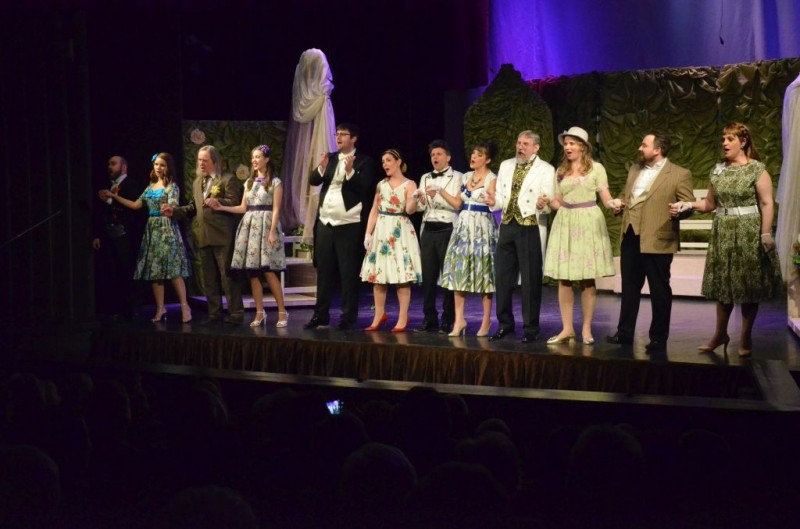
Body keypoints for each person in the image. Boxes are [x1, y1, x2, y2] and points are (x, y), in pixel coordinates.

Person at [678, 122, 782, 357]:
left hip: (748, 231)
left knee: (748, 286)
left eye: (730, 139)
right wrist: (688, 205)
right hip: (723, 231)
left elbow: (767, 203)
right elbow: (709, 204)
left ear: (743, 142)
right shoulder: (718, 170)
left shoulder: (756, 169)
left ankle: (745, 337)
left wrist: (765, 233)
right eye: (723, 139)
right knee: (724, 286)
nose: (724, 143)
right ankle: (720, 334)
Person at [606, 132, 694, 350]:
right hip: (631, 235)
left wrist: (680, 210)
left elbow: (688, 204)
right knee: (629, 287)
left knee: (659, 290)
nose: (639, 148)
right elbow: (628, 197)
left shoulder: (679, 174)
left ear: (657, 149)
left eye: (644, 145)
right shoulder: (635, 170)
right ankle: (624, 333)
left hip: (657, 238)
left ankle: (658, 338)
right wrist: (619, 204)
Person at [544, 127, 616, 345]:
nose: (568, 147)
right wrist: (547, 202)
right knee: (564, 278)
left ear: (583, 147)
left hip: (587, 222)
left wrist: (614, 203)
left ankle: (586, 328)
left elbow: (606, 198)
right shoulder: (561, 171)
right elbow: (558, 202)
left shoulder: (596, 168)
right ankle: (567, 329)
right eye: (566, 144)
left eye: (572, 143)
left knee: (587, 277)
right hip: (565, 222)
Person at [100, 153, 192, 323]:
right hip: (152, 230)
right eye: (156, 164)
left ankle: (185, 306)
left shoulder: (172, 186)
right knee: (155, 272)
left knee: (173, 270)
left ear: (168, 167)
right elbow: (136, 204)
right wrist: (114, 196)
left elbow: (174, 204)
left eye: (162, 165)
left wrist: (170, 208)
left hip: (166, 228)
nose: (158, 168)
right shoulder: (150, 187)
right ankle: (160, 308)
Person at [306, 123, 377, 330]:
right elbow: (313, 180)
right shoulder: (330, 158)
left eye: (343, 134)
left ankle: (348, 317)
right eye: (337, 134)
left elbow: (364, 187)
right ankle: (321, 315)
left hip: (349, 224)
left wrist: (349, 172)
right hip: (325, 222)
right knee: (324, 272)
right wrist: (321, 167)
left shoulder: (364, 161)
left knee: (348, 273)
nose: (338, 137)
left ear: (353, 138)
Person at [486, 130, 556, 343]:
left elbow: (548, 198)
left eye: (525, 144)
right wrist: (494, 202)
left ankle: (530, 328)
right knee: (502, 278)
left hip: (530, 225)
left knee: (530, 280)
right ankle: (505, 324)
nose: (520, 147)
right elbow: (501, 196)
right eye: (519, 143)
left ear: (536, 147)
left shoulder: (545, 169)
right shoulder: (506, 165)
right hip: (508, 225)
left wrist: (542, 204)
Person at [162, 145, 244, 325]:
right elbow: (193, 207)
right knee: (209, 278)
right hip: (204, 236)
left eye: (205, 160)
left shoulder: (227, 179)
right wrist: (174, 211)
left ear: (214, 161)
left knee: (227, 276)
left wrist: (218, 201)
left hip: (223, 235)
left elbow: (235, 202)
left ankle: (236, 313)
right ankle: (214, 314)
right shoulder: (198, 182)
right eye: (199, 160)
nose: (201, 163)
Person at [211, 145, 288, 328]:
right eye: (253, 157)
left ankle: (282, 312)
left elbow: (276, 209)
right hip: (250, 227)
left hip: (266, 226)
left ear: (267, 159)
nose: (254, 160)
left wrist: (272, 232)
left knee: (268, 271)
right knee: (253, 273)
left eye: (258, 157)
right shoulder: (249, 183)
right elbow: (242, 208)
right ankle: (259, 313)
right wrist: (222, 207)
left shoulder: (275, 182)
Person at [439, 141, 499, 337]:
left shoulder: (492, 178)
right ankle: (459, 320)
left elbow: (494, 203)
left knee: (484, 273)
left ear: (487, 159)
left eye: (479, 154)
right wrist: (441, 191)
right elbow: (458, 203)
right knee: (459, 271)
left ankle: (486, 321)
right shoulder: (465, 176)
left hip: (482, 227)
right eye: (473, 153)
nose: (474, 157)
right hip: (463, 227)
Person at [360, 149, 422, 332]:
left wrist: (415, 199)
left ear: (398, 161)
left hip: (400, 231)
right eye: (383, 161)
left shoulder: (410, 184)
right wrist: (368, 234)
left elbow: (410, 210)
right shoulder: (381, 184)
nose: (385, 164)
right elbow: (374, 209)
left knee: (402, 277)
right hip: (382, 230)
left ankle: (403, 317)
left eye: (388, 160)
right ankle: (379, 314)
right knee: (378, 277)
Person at [413, 140, 462, 333]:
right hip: (428, 228)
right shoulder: (425, 177)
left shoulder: (458, 177)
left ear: (448, 157)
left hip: (447, 227)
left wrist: (439, 194)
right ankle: (429, 318)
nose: (435, 157)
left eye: (439, 154)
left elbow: (457, 204)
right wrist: (420, 200)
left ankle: (448, 319)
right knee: (428, 276)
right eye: (433, 154)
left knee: (448, 275)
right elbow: (420, 207)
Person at [92, 155, 140, 320]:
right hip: (109, 235)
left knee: (127, 271)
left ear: (123, 167)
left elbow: (133, 207)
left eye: (113, 164)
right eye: (108, 164)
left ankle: (130, 309)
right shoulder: (108, 187)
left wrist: (111, 200)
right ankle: (115, 308)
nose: (110, 167)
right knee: (112, 272)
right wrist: (97, 234)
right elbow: (100, 213)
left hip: (126, 235)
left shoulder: (131, 184)